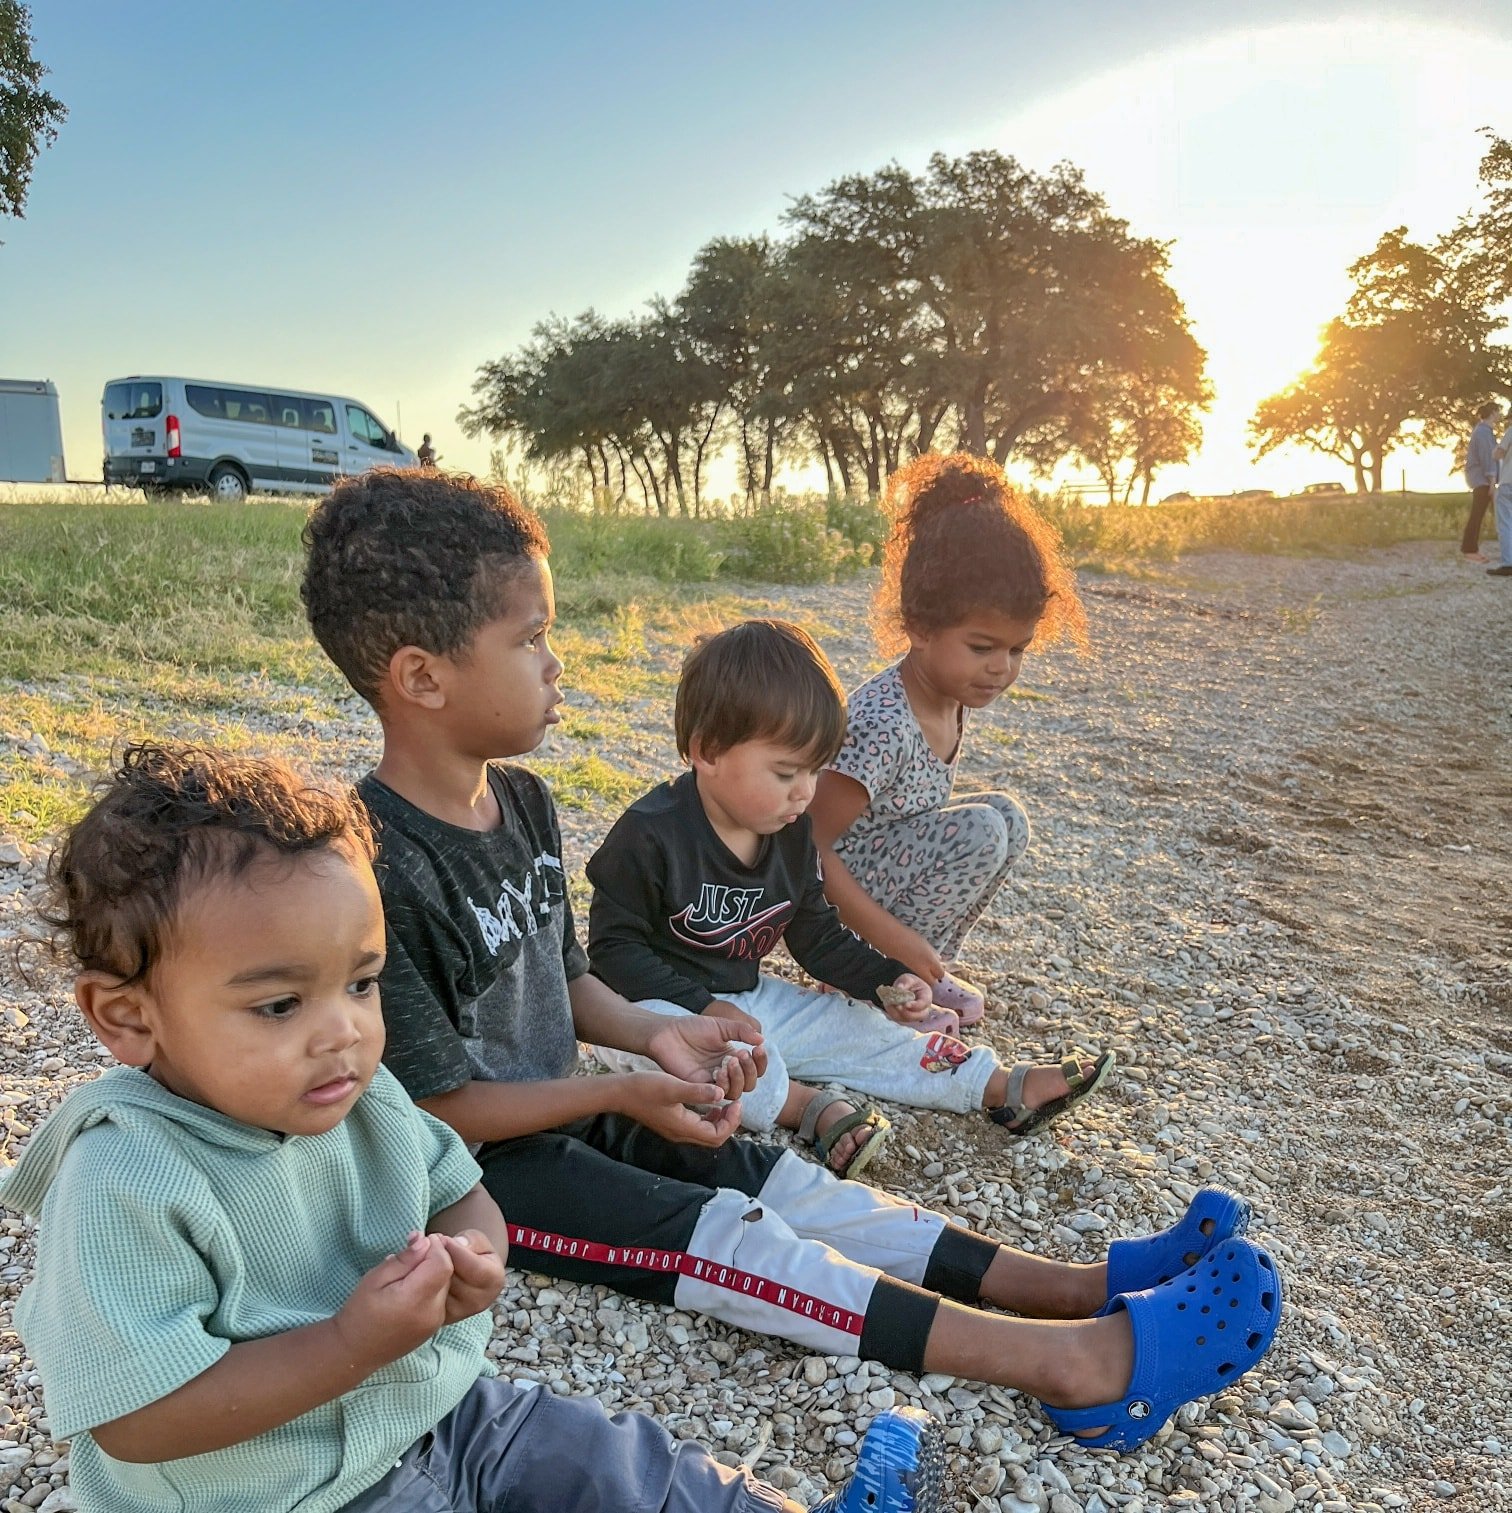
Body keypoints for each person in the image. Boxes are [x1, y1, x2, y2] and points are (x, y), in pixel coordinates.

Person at [299, 467, 1283, 1453]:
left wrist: (661, 1035)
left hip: (573, 1100)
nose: (556, 666)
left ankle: (1076, 1287)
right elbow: (439, 1107)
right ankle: (1081, 1366)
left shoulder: (521, 805)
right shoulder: (373, 864)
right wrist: (616, 1097)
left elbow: (571, 982)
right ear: (422, 676)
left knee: (791, 1186)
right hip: (475, 1177)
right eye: (532, 640)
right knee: (746, 1246)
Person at [0, 742, 940, 1513]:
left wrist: (475, 1255)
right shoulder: (126, 1174)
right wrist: (347, 1345)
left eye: (361, 985)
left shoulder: (358, 1097)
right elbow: (135, 1416)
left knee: (619, 1465)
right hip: (276, 1492)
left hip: (429, 1406)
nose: (345, 1033)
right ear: (127, 1017)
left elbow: (461, 1192)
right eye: (281, 1004)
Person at [586, 618, 1113, 1174]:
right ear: (708, 751)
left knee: (860, 1029)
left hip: (749, 1000)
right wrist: (699, 1009)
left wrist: (884, 981)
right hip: (652, 1015)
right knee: (710, 1064)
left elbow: (816, 933)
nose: (804, 792)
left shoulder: (789, 832)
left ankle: (997, 1086)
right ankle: (806, 1108)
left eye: (814, 770)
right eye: (786, 771)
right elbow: (612, 954)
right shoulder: (650, 834)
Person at [806, 453, 1088, 1033]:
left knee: (1007, 817)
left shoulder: (950, 696)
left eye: (1017, 650)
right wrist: (894, 938)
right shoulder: (883, 723)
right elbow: (806, 848)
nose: (1000, 669)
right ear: (920, 626)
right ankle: (877, 981)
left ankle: (916, 977)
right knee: (981, 829)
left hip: (881, 876)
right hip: (832, 902)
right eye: (982, 647)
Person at [1462, 402, 1502, 563]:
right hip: (1482, 480)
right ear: (1493, 412)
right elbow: (1487, 458)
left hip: (1483, 479)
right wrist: (1492, 482)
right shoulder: (1483, 433)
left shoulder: (1485, 432)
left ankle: (1471, 548)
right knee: (1477, 514)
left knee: (1482, 513)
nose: (1500, 415)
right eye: (1499, 411)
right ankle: (1469, 549)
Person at [1490, 413, 1512, 578]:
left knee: (1505, 523)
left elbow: (1498, 453)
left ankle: (1507, 563)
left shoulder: (1511, 431)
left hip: (1508, 482)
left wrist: (1496, 449)